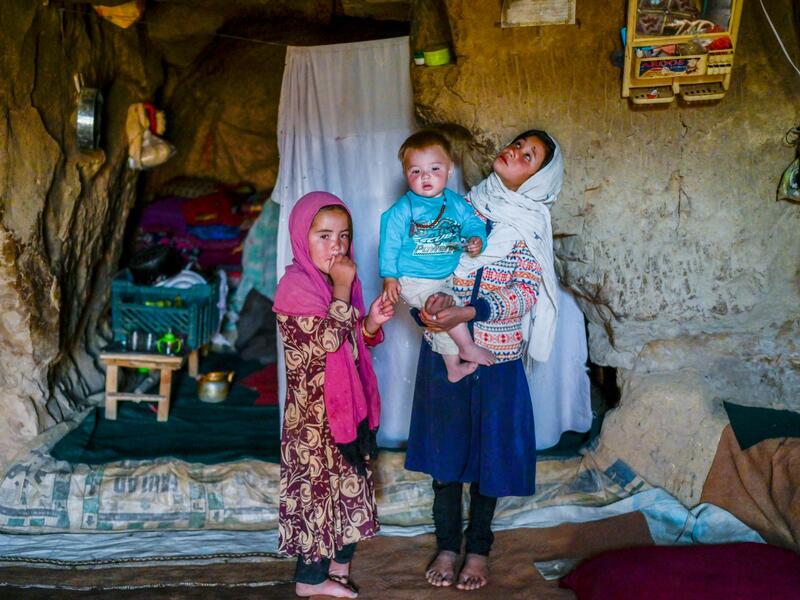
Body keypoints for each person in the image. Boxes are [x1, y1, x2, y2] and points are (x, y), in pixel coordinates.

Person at [404, 129, 564, 591]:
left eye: (528, 155)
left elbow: (525, 291)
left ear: (539, 178)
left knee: (491, 455)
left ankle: (478, 549)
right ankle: (448, 545)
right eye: (517, 144)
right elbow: (423, 264)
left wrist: (473, 311)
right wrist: (425, 313)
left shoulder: (531, 225)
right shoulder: (458, 207)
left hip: (497, 355)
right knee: (445, 454)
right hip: (443, 349)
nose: (514, 152)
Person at [273, 191, 394, 598]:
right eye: (324, 236)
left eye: (344, 236)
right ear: (301, 240)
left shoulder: (341, 284)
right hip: (313, 423)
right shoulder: (295, 288)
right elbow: (325, 343)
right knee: (317, 496)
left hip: (345, 413)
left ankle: (338, 569)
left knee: (352, 486)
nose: (337, 246)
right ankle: (309, 581)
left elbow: (351, 343)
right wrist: (342, 289)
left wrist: (372, 323)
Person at [379, 130, 495, 383]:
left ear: (449, 170)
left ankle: (452, 366)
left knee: (441, 317)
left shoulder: (455, 203)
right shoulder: (404, 209)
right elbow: (390, 243)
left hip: (443, 277)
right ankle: (467, 347)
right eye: (416, 171)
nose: (426, 176)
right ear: (405, 174)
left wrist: (478, 239)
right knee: (445, 307)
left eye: (434, 168)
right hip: (414, 277)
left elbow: (473, 224)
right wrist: (389, 277)